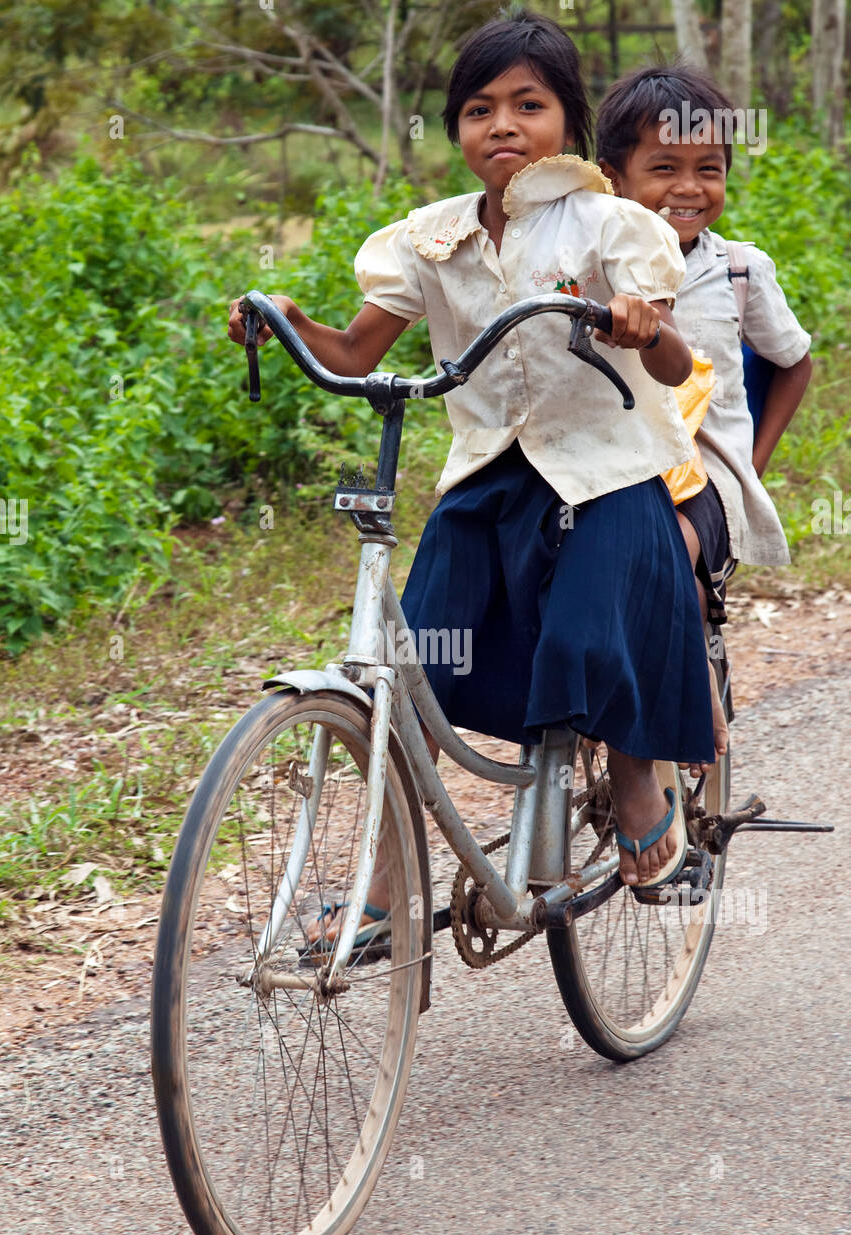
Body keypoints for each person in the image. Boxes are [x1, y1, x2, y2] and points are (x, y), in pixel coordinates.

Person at [228, 9, 716, 946]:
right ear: (454, 128)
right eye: (478, 109)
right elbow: (358, 349)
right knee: (412, 676)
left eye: (527, 105)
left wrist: (638, 323)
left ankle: (637, 787)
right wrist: (287, 318)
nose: (502, 125)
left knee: (583, 640)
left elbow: (669, 362)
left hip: (605, 476)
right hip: (489, 481)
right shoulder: (427, 238)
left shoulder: (615, 225)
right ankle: (385, 885)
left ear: (567, 122)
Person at [596, 65, 813, 773]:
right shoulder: (593, 268)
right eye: (664, 167)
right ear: (613, 178)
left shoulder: (741, 270)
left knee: (666, 562)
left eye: (708, 169)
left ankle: (689, 704)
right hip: (612, 464)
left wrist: (751, 466)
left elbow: (794, 362)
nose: (689, 189)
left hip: (707, 478)